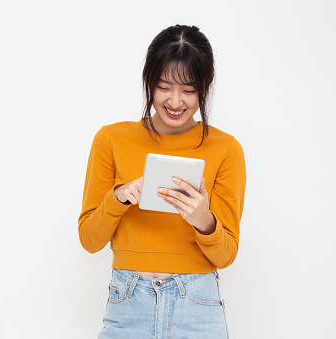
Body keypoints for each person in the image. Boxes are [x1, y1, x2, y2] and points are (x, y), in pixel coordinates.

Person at [78, 24, 246, 338]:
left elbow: (225, 255)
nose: (175, 101)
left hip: (198, 306)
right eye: (164, 86)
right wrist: (120, 196)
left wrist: (203, 221)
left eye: (190, 90)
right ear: (148, 82)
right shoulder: (111, 139)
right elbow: (89, 240)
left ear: (205, 88)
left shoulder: (226, 150)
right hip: (127, 303)